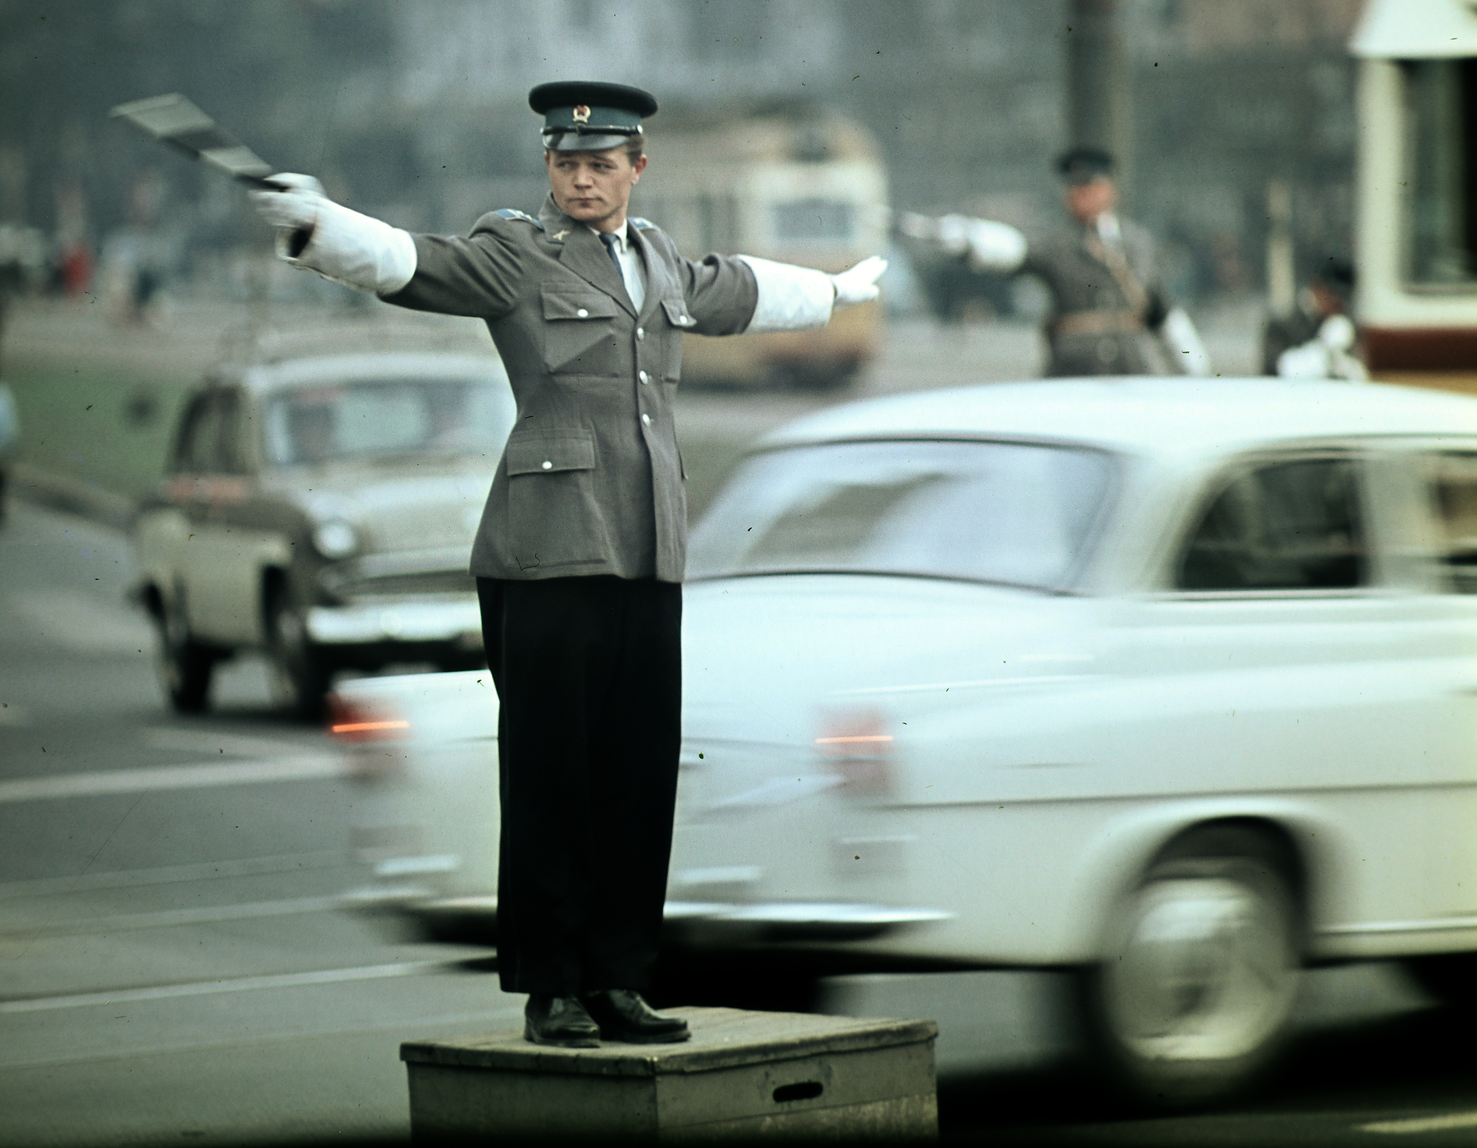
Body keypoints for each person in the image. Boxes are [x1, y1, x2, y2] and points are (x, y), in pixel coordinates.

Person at [251, 81, 886, 1049]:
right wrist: (317, 226)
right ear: (547, 167)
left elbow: (736, 288)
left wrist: (834, 290)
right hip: (546, 550)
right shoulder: (516, 251)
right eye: (566, 162)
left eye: (601, 162)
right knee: (552, 776)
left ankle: (618, 980)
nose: (582, 178)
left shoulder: (658, 258)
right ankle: (552, 987)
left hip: (644, 547)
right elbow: (416, 265)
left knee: (635, 776)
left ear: (637, 167)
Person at [900, 145, 1210, 377]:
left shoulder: (1136, 242)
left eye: (1087, 185)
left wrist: (1193, 368)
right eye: (1072, 187)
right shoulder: (1055, 243)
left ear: (1109, 189)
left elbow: (1159, 308)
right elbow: (1016, 251)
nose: (1077, 194)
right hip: (1072, 369)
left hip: (1132, 367)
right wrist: (967, 238)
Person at [1262, 257, 1367, 382]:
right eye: (1332, 295)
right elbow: (1274, 370)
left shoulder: (1343, 324)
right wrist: (1324, 349)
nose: (1336, 305)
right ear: (1317, 288)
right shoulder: (1282, 323)